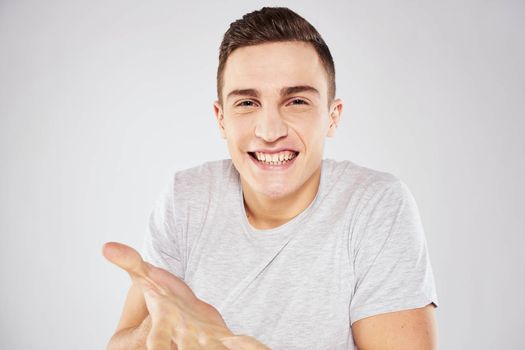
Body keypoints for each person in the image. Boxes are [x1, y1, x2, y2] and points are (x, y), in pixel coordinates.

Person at [103, 6, 439, 350]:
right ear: (221, 119)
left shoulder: (375, 205)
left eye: (296, 101)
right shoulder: (185, 198)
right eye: (247, 103)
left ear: (332, 117)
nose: (270, 131)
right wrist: (156, 332)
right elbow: (122, 343)